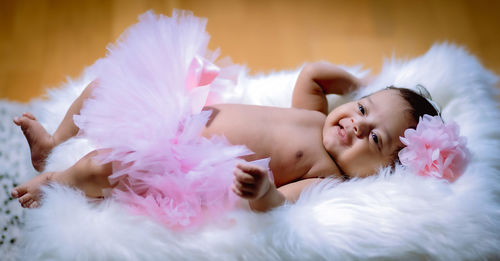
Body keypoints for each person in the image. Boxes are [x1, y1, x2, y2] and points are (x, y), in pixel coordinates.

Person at [10, 61, 439, 213]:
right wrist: (361, 80)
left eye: (376, 141)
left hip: (179, 158)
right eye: (363, 108)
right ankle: (54, 140)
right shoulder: (315, 115)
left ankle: (56, 180)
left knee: (99, 167)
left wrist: (263, 190)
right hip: (181, 111)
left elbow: (279, 207)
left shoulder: (326, 175)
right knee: (105, 85)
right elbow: (312, 75)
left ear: (377, 174)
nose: (358, 125)